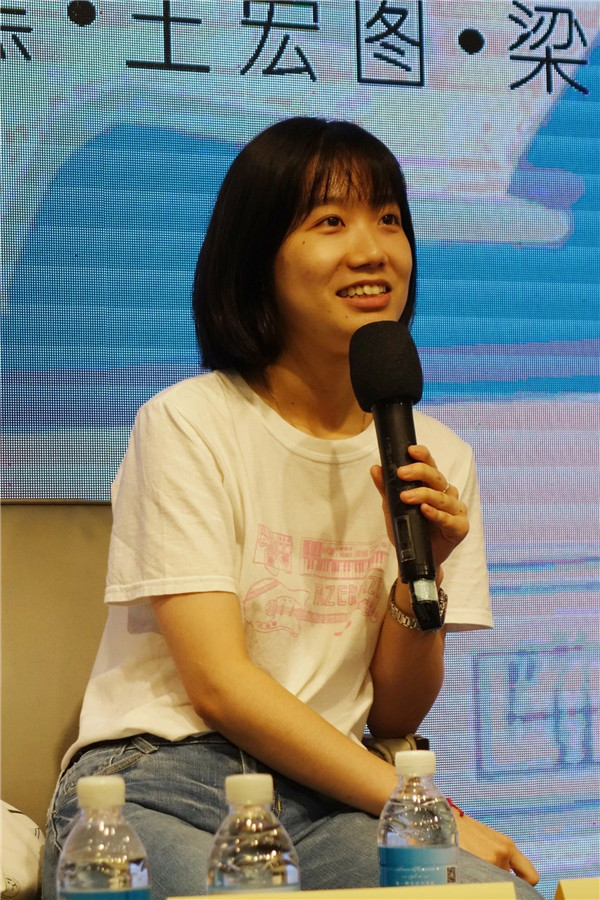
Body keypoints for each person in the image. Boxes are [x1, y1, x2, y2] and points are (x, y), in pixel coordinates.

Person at [43, 117, 543, 899]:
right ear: (259, 257)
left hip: (324, 796)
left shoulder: (434, 453)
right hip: (161, 783)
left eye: (388, 219)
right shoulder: (189, 422)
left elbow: (394, 716)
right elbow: (219, 685)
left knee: (491, 894)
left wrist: (422, 577)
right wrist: (429, 809)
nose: (373, 250)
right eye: (330, 222)